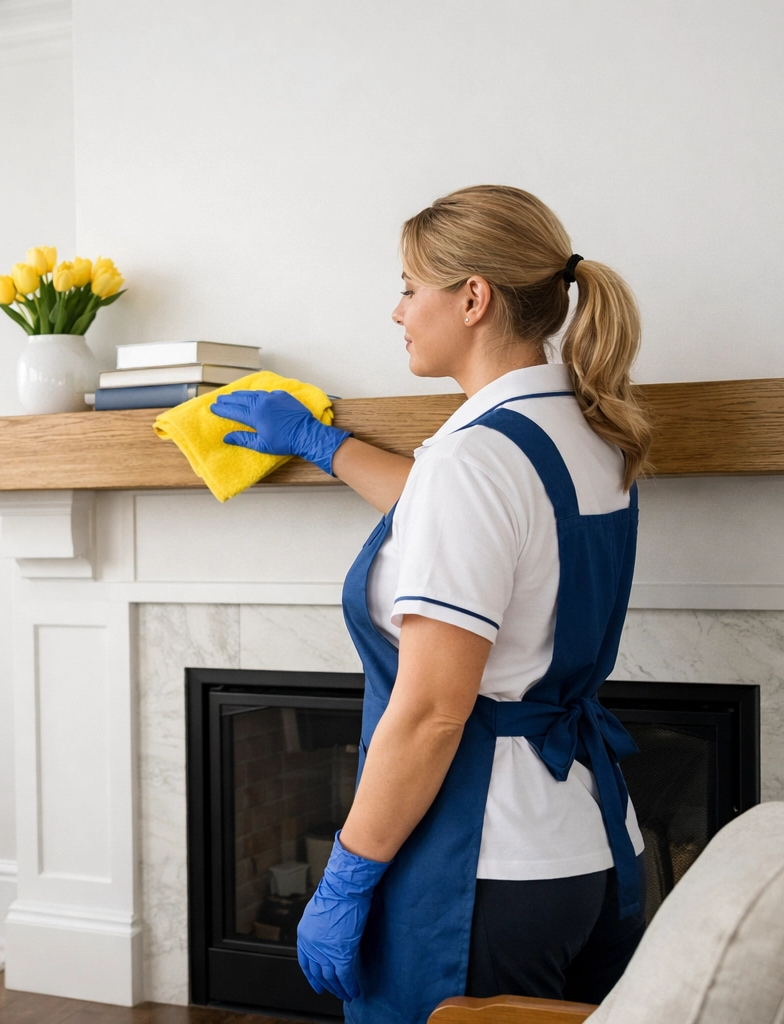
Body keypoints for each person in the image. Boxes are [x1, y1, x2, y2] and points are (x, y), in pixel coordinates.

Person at [212, 185, 652, 1024]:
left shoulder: (477, 458)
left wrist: (345, 875)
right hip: (589, 846)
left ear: (474, 297)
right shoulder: (589, 428)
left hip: (478, 871)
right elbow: (469, 524)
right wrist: (323, 443)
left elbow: (430, 714)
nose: (397, 310)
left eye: (411, 286)